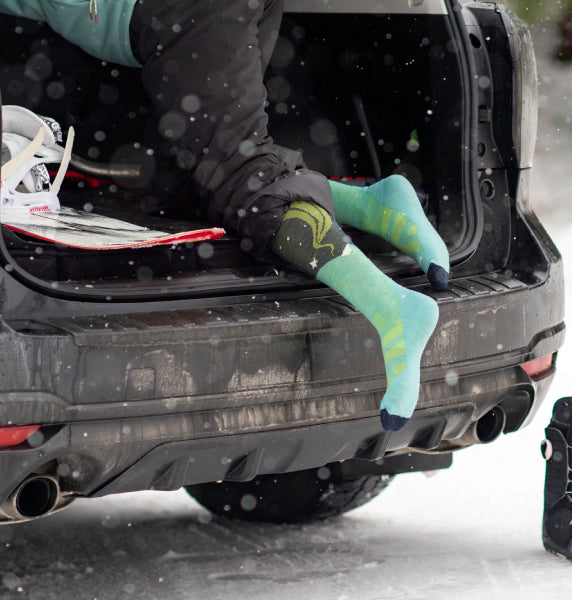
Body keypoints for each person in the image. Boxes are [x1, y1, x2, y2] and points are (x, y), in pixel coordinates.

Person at [0, 0, 450, 431]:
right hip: (172, 20)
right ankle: (375, 205)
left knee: (246, 184)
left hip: (188, 9)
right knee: (193, 182)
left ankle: (393, 309)